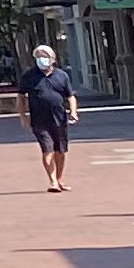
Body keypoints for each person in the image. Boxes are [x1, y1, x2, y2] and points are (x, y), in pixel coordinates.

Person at [18, 44, 80, 192]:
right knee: (47, 149)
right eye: (38, 57)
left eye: (44, 56)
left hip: (59, 119)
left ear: (52, 59)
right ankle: (52, 181)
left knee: (60, 150)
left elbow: (70, 96)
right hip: (39, 120)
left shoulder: (62, 76)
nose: (41, 59)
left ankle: (59, 179)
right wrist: (23, 116)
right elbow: (21, 97)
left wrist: (73, 111)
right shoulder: (29, 76)